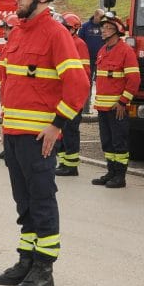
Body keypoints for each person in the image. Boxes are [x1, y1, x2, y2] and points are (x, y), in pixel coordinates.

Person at [0, 0, 88, 286]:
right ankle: (26, 260)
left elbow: (77, 86)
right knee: (24, 202)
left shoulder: (56, 34)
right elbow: (7, 82)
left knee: (42, 201)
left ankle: (44, 269)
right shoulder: (18, 32)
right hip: (15, 135)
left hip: (38, 138)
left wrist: (56, 126)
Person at [91, 11, 140, 189]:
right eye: (103, 27)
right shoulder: (103, 50)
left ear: (117, 31)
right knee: (107, 142)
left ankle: (120, 176)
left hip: (116, 107)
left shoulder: (126, 51)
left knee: (119, 142)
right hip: (103, 108)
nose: (103, 31)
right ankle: (111, 172)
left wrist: (122, 101)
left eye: (107, 28)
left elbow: (134, 80)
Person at [53, 13, 91, 176]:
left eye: (67, 27)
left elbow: (84, 73)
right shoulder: (64, 42)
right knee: (62, 130)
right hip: (61, 95)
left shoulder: (79, 44)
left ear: (75, 29)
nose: (64, 30)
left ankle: (71, 165)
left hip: (72, 96)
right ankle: (63, 162)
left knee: (70, 130)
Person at [0, 12, 18, 161]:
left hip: (10, 88)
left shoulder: (14, 46)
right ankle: (6, 147)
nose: (4, 31)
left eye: (7, 29)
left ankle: (8, 149)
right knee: (5, 116)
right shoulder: (7, 46)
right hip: (5, 88)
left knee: (8, 116)